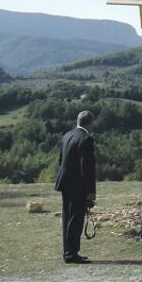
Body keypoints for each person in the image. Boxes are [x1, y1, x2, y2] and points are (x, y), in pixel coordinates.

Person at [54, 110, 97, 264]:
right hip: (78, 185)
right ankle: (72, 254)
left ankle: (68, 251)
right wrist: (90, 191)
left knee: (67, 217)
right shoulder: (86, 139)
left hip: (65, 182)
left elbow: (61, 160)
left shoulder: (67, 135)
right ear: (90, 123)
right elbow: (87, 167)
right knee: (76, 219)